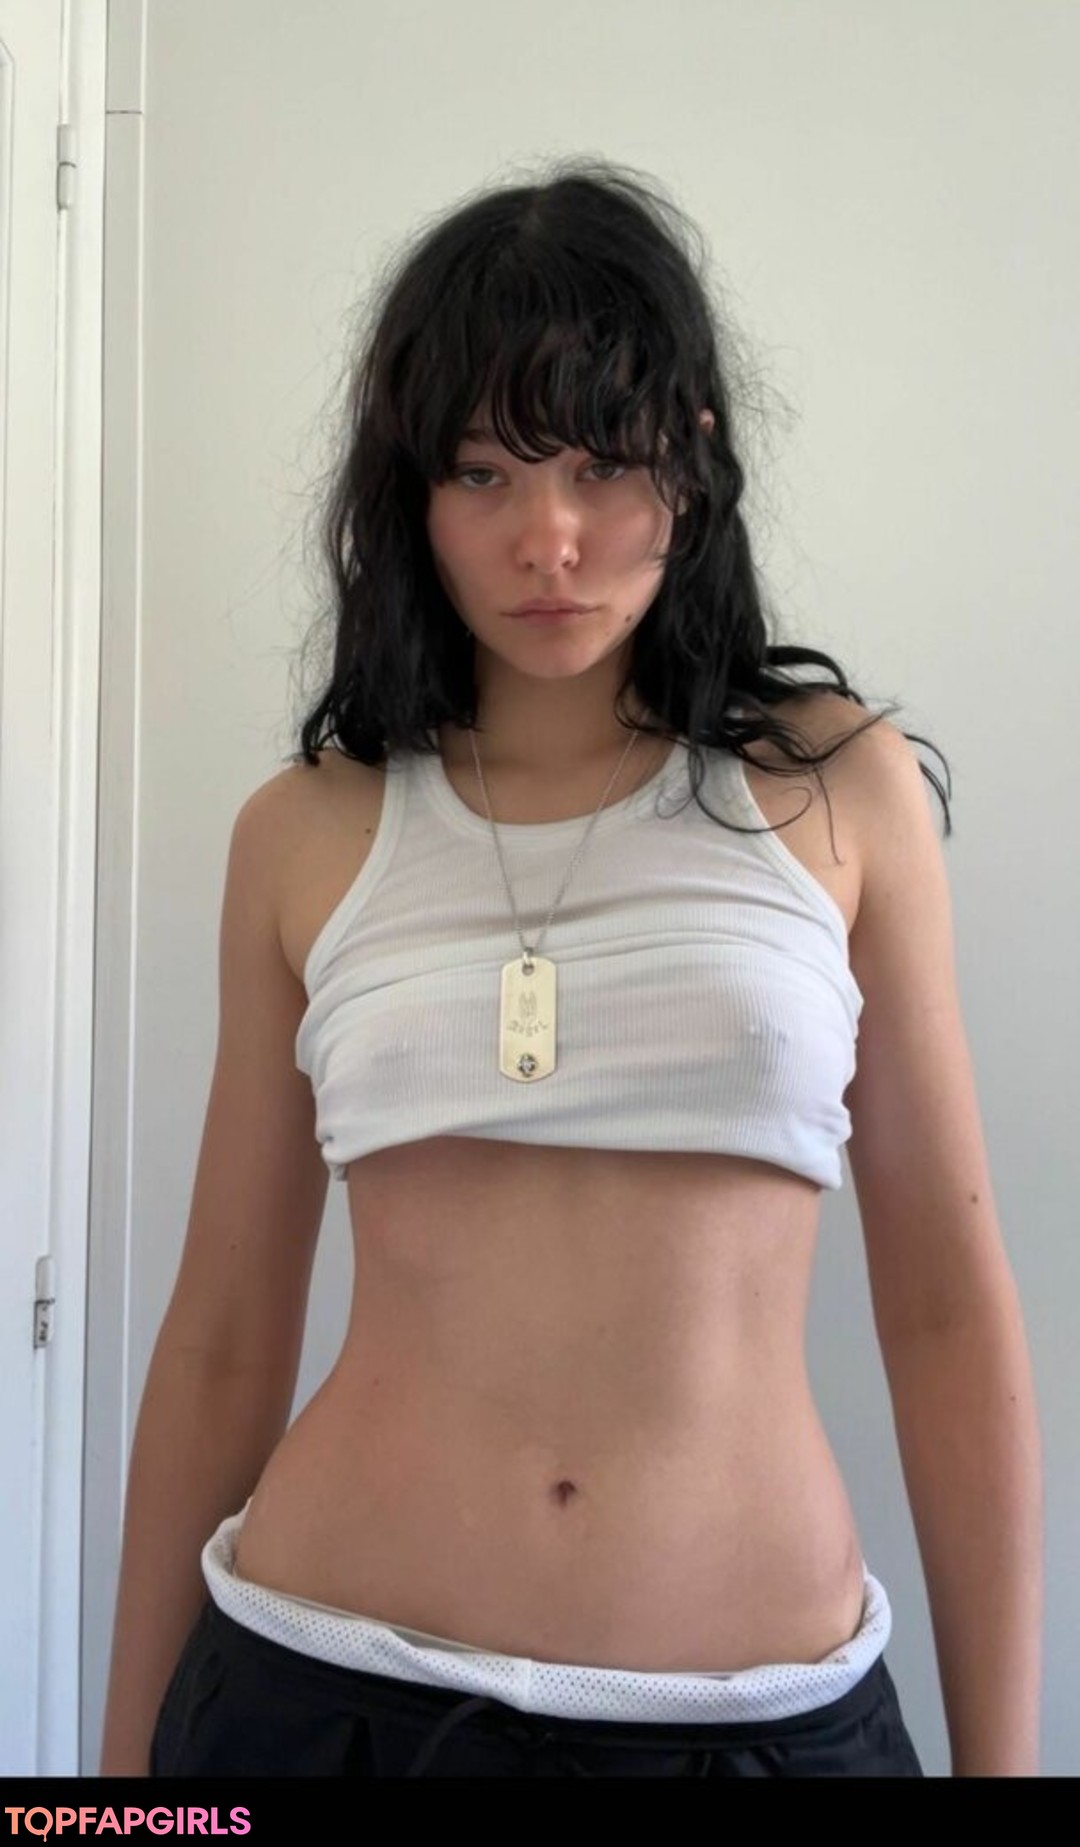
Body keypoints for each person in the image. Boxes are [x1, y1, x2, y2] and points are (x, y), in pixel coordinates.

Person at [100, 159, 1042, 1779]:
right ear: (410, 495)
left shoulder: (835, 791)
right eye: (482, 471)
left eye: (602, 464)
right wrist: (115, 1793)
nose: (549, 538)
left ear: (693, 460)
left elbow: (948, 1315)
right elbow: (224, 1335)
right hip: (323, 1697)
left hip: (754, 1729)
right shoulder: (307, 832)